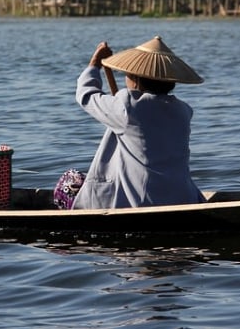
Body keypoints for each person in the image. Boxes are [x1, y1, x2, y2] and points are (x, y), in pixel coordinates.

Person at [61, 35, 207, 210]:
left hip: (139, 202)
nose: (125, 77)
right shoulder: (183, 111)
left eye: (128, 74)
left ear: (136, 80)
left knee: (68, 181)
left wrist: (95, 64)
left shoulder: (127, 107)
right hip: (183, 197)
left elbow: (85, 95)